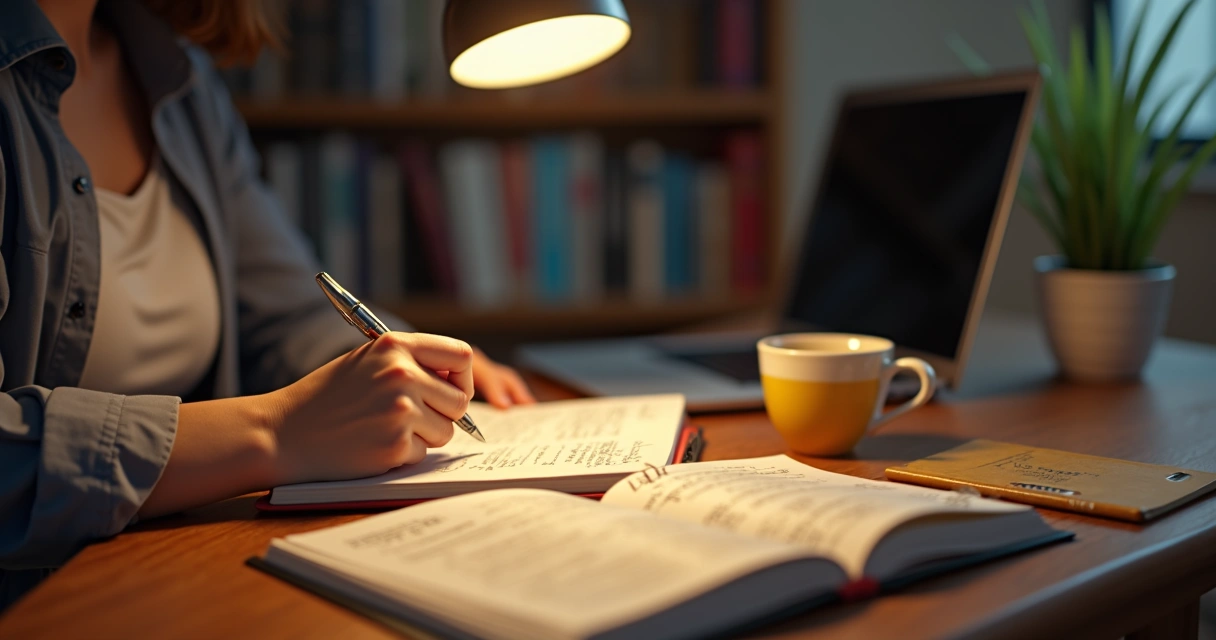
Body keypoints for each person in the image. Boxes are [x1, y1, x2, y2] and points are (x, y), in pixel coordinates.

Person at [0, 0, 536, 606]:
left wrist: (411, 370)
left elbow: (284, 313)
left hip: (171, 572)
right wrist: (272, 431)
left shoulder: (179, 81)